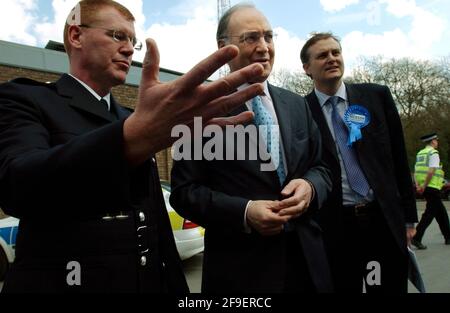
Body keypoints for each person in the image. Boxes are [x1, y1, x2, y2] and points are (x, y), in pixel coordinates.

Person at [0, 0, 266, 293]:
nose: (128, 48)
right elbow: (17, 185)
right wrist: (127, 141)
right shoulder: (24, 98)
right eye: (117, 36)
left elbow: (154, 224)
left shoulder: (131, 117)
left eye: (133, 41)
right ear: (76, 36)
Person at [170, 4, 333, 293]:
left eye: (269, 37)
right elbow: (184, 192)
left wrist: (310, 186)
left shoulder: (297, 105)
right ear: (223, 48)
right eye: (251, 38)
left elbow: (321, 168)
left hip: (308, 264)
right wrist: (244, 212)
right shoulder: (199, 110)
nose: (264, 47)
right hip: (242, 274)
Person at [301, 32, 418, 293]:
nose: (332, 58)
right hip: (335, 227)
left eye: (335, 52)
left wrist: (409, 219)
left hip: (382, 221)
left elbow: (398, 158)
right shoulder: (300, 111)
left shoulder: (376, 96)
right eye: (322, 55)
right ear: (307, 68)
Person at [412, 133, 450, 249]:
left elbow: (416, 171)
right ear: (433, 141)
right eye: (436, 140)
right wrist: (424, 185)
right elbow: (431, 171)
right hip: (432, 186)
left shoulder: (420, 153)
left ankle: (448, 236)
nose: (437, 142)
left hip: (425, 187)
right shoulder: (433, 153)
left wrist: (418, 185)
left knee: (441, 213)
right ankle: (416, 237)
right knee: (429, 214)